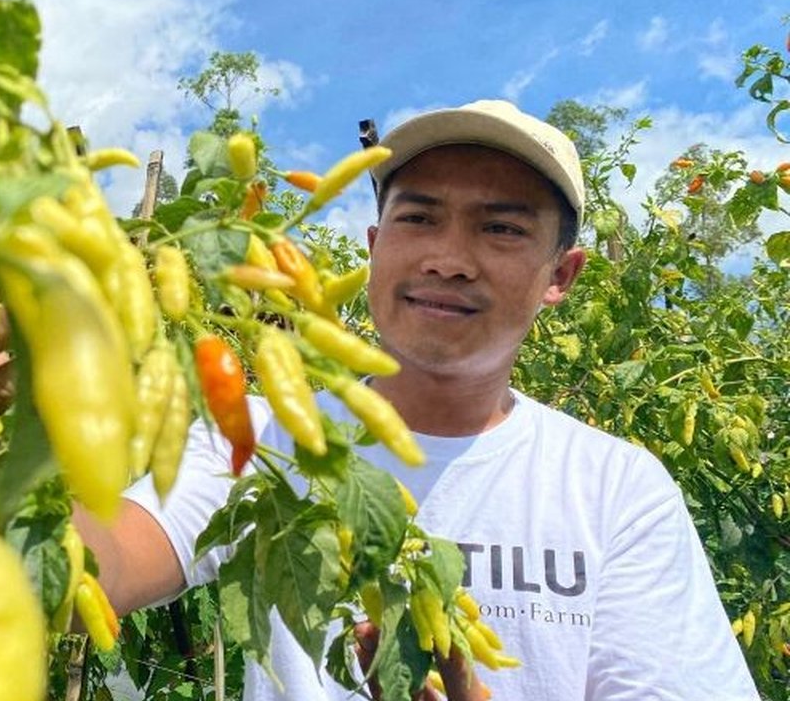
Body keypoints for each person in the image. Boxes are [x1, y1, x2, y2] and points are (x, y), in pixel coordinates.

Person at [73, 100, 759, 700]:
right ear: (375, 247)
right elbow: (95, 573)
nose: (448, 258)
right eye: (420, 218)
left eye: (502, 228)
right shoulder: (261, 438)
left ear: (562, 275)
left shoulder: (616, 489)